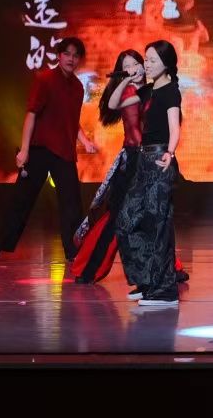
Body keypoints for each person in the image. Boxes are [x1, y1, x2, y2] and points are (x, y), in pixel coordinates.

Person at [0, 38, 99, 262]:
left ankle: (74, 252)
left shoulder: (78, 87)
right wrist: (24, 149)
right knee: (23, 199)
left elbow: (71, 120)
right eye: (67, 54)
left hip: (64, 152)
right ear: (59, 55)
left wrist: (85, 141)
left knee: (72, 204)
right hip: (39, 148)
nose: (71, 59)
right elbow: (31, 114)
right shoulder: (45, 79)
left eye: (76, 55)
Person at [117, 40, 183, 308]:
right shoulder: (147, 91)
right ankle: (146, 281)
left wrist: (171, 152)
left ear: (167, 64)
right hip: (143, 162)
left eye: (153, 60)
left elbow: (175, 127)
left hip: (160, 159)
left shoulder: (170, 91)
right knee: (125, 220)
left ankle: (165, 291)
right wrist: (125, 78)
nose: (147, 64)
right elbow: (114, 104)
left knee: (158, 227)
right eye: (146, 59)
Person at [72, 49, 145, 284]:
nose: (132, 69)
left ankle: (169, 268)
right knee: (116, 216)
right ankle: (89, 268)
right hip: (134, 160)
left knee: (152, 216)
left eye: (136, 63)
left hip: (151, 159)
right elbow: (117, 109)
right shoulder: (130, 91)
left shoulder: (152, 89)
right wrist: (125, 81)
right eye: (127, 66)